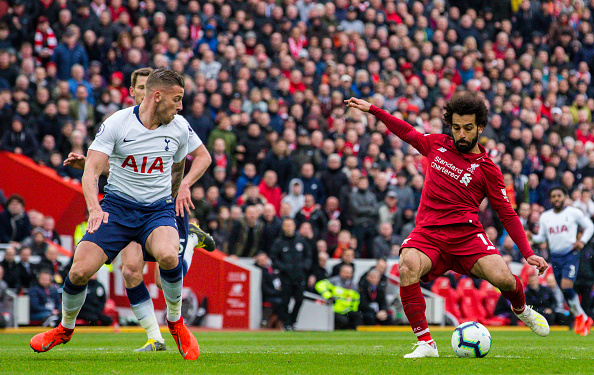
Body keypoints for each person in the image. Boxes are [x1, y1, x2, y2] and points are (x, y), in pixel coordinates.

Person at [345, 93, 549, 358]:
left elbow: (507, 213)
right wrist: (374, 110)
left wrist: (528, 253)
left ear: (480, 127)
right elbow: (406, 131)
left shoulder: (487, 169)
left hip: (467, 237)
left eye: (467, 128)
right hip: (429, 235)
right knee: (406, 266)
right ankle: (426, 344)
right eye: (456, 128)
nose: (461, 134)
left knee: (506, 280)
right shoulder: (437, 145)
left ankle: (522, 310)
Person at [30, 68, 200, 360]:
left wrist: (172, 200)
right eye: (177, 99)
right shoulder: (117, 123)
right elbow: (91, 171)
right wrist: (95, 209)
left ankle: (176, 321)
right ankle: (64, 329)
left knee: (169, 256)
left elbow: (178, 168)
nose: (181, 106)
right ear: (157, 96)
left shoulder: (180, 127)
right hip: (117, 209)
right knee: (80, 270)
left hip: (156, 210)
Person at [531, 187, 594, 335]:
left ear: (564, 197)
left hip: (570, 255)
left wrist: (582, 241)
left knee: (566, 286)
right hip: (555, 257)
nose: (556, 198)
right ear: (550, 199)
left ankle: (581, 316)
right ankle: (583, 317)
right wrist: (532, 238)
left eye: (559, 195)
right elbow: (542, 237)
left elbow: (590, 226)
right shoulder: (545, 216)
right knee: (565, 292)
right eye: (553, 196)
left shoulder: (573, 213)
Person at [270, 217, 312, 331]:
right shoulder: (278, 242)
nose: (288, 228)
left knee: (299, 300)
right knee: (285, 301)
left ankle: (293, 321)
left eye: (290, 225)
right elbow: (274, 258)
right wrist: (283, 267)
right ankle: (287, 323)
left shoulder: (301, 241)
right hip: (285, 277)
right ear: (283, 227)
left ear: (294, 227)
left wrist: (304, 267)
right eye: (286, 225)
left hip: (299, 276)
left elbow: (308, 255)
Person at [315, 263, 362, 330]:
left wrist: (353, 309)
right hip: (335, 310)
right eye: (345, 272)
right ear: (341, 272)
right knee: (343, 321)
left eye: (349, 273)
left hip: (348, 310)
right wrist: (328, 296)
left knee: (358, 316)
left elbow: (356, 299)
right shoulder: (334, 281)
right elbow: (319, 285)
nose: (347, 275)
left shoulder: (354, 286)